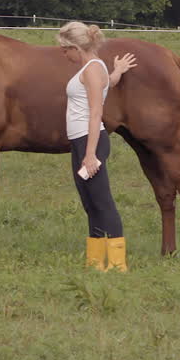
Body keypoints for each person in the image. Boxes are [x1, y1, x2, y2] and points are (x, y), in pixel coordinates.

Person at [58, 22, 136, 271]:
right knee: (90, 202)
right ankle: (95, 262)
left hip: (89, 141)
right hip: (81, 141)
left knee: (102, 202)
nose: (63, 54)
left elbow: (96, 112)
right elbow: (108, 83)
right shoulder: (96, 67)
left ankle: (117, 264)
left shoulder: (91, 69)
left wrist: (90, 154)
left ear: (76, 48)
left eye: (65, 49)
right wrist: (119, 71)